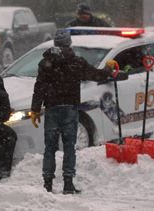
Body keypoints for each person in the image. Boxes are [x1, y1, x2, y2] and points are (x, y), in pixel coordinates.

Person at [30, 30, 117, 194]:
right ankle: (68, 184)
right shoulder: (76, 62)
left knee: (50, 148)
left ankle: (47, 184)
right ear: (69, 43)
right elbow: (97, 75)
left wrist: (35, 109)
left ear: (55, 43)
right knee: (69, 147)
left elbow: (39, 86)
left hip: (51, 109)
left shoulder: (45, 63)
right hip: (70, 109)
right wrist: (108, 68)